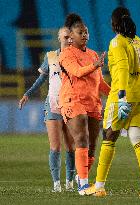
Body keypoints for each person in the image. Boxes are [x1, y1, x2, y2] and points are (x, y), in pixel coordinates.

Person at [84, 7, 140, 197]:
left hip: (124, 97)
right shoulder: (138, 41)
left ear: (114, 23)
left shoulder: (117, 43)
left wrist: (122, 98)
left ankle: (99, 187)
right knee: (138, 138)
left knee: (109, 136)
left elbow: (123, 69)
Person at [18, 27, 75, 192]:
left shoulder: (76, 56)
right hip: (53, 103)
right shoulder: (51, 56)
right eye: (66, 37)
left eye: (71, 37)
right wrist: (27, 94)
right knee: (55, 146)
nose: (69, 40)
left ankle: (69, 182)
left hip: (70, 104)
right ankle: (57, 184)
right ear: (59, 38)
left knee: (71, 147)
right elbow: (42, 78)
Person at [59, 13, 110, 195]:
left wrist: (116, 95)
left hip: (93, 103)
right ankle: (83, 185)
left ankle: (82, 179)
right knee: (82, 138)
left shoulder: (93, 54)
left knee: (93, 145)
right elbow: (77, 72)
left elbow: (100, 83)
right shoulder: (66, 54)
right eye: (80, 32)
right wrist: (95, 66)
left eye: (86, 32)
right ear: (71, 36)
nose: (85, 35)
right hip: (72, 100)